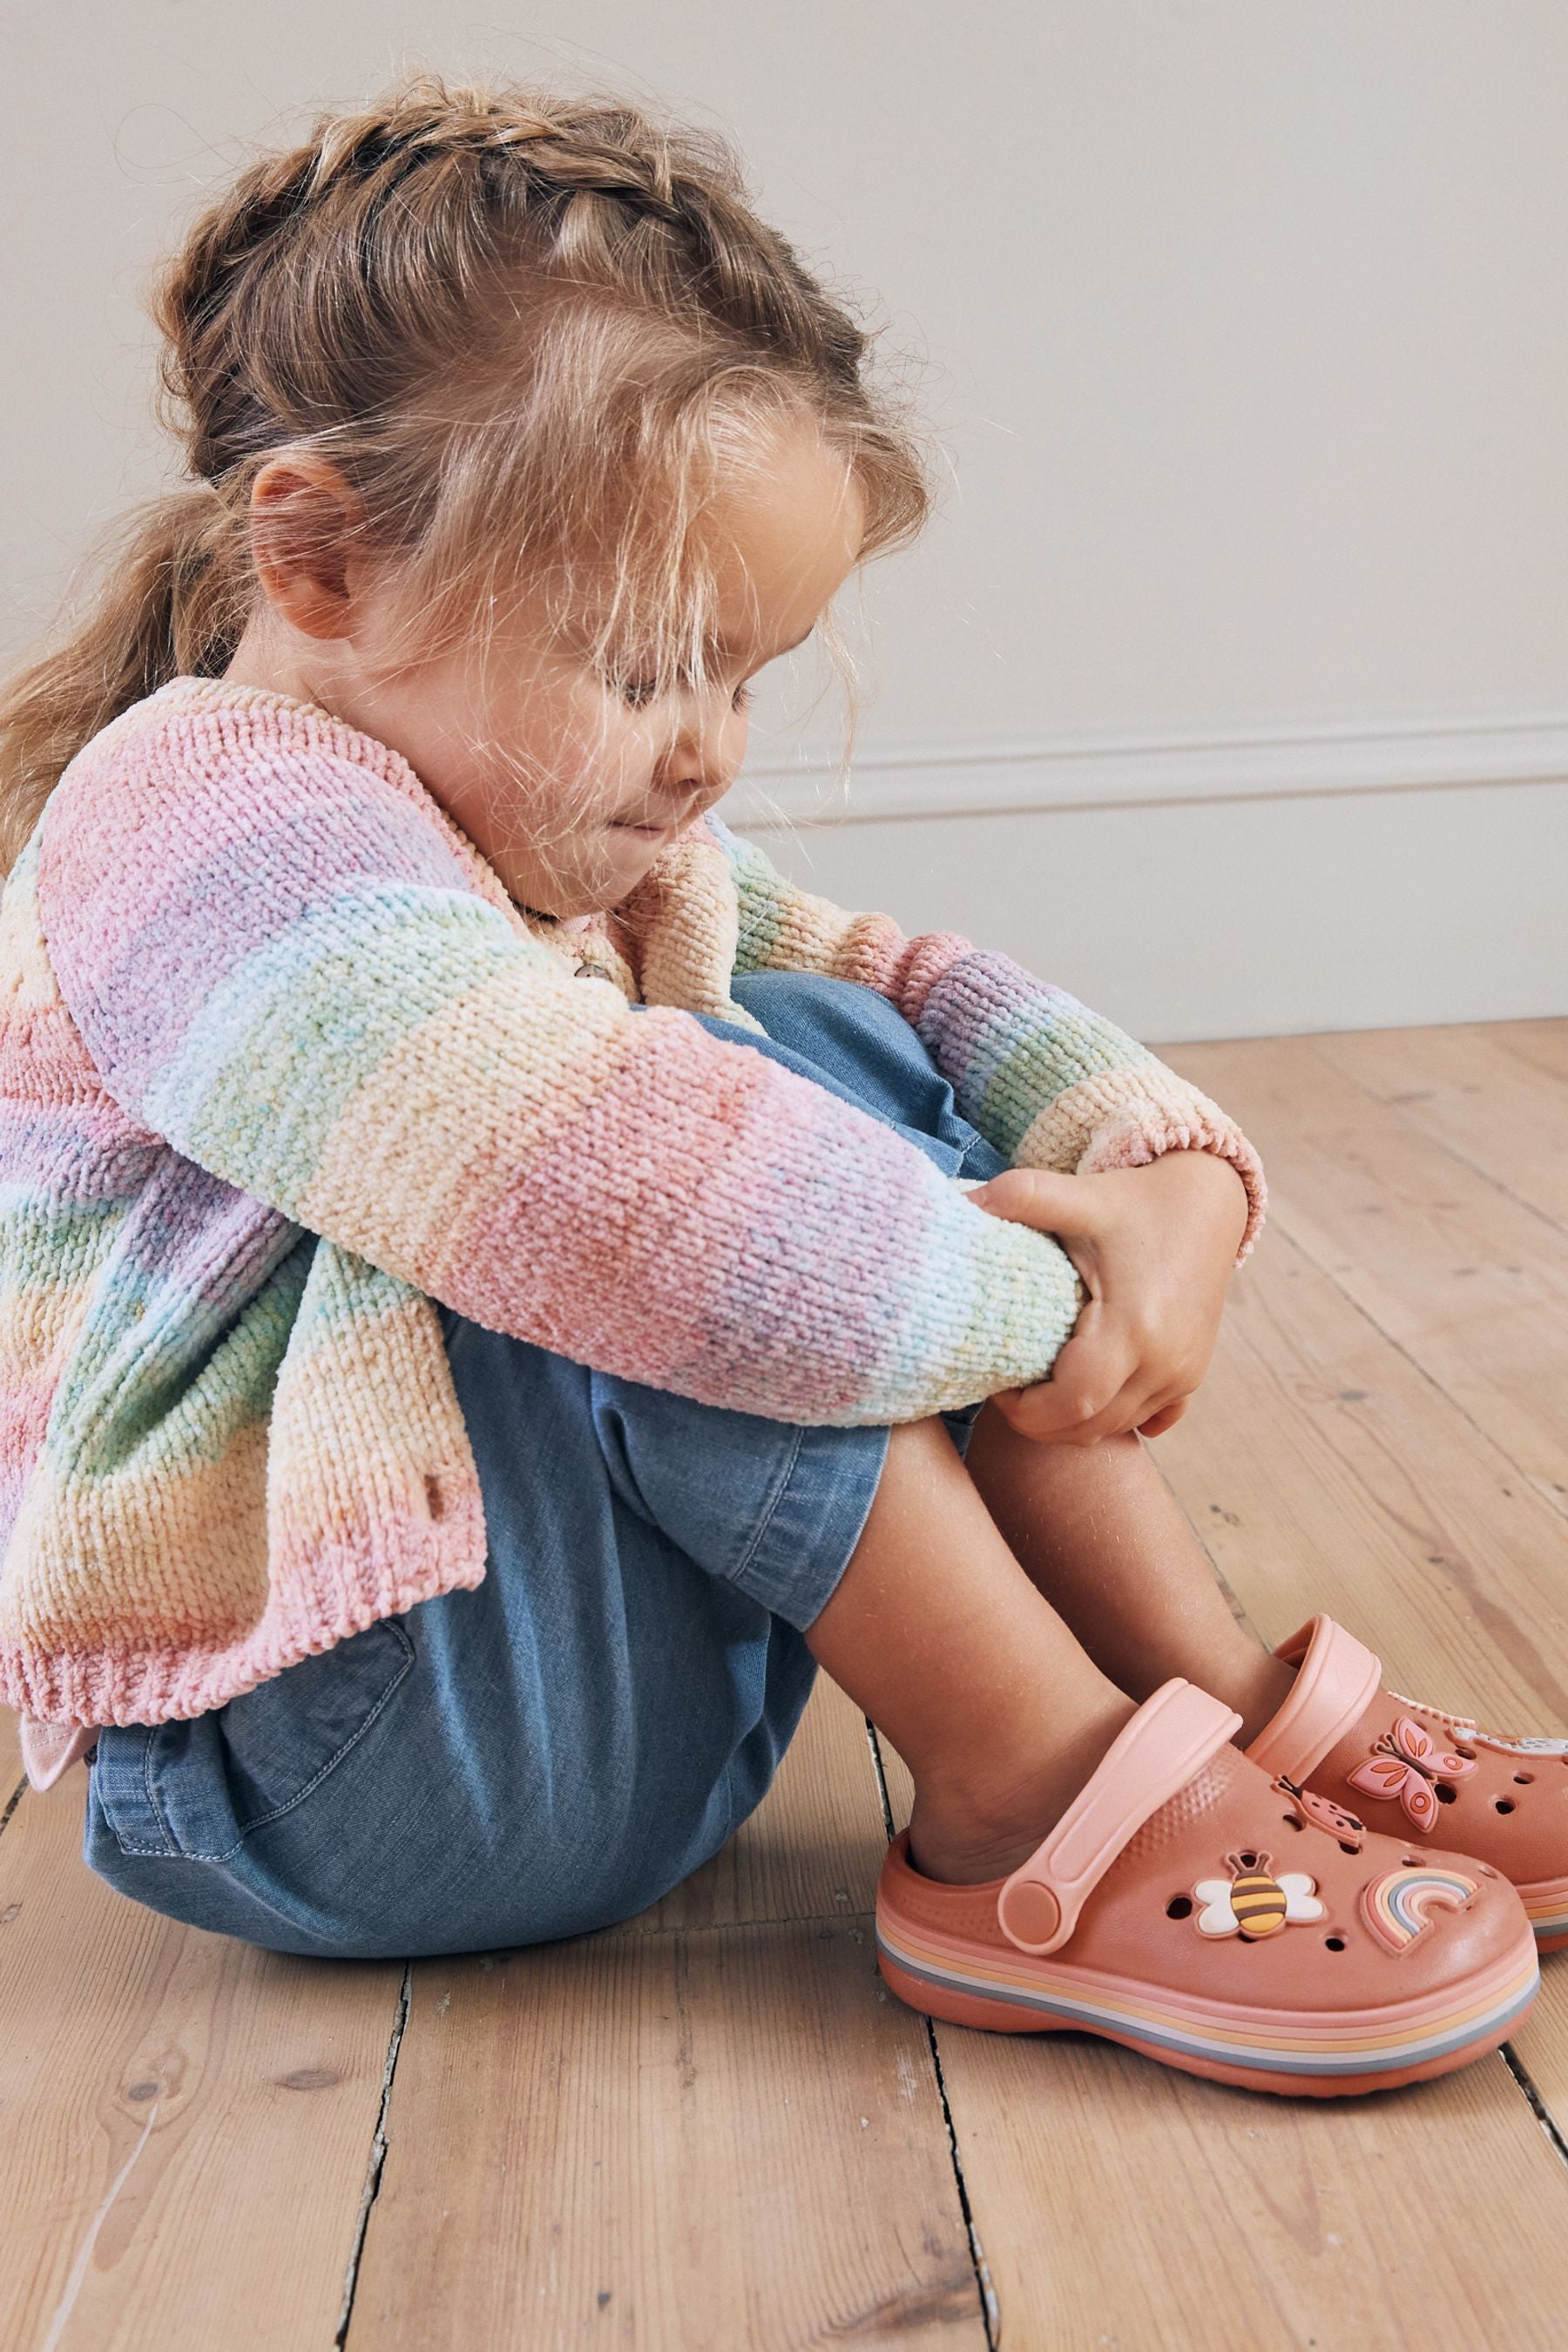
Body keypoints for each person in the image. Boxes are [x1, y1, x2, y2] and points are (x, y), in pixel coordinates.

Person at [0, 74, 1558, 2097]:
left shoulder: (542, 820)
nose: (711, 748)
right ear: (317, 564)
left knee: (815, 1043)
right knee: (672, 1167)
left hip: (572, 1706)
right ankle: (1032, 1797)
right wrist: (1061, 1306)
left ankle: (1226, 1704)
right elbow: (672, 1230)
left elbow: (906, 982)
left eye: (749, 671)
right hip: (339, 1768)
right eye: (649, 665)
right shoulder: (204, 829)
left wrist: (1163, 1177)